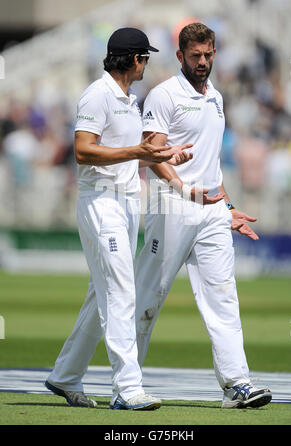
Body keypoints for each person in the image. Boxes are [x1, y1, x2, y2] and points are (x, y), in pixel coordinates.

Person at [45, 27, 192, 411]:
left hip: (127, 203)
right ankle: (128, 388)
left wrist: (160, 156)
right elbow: (83, 150)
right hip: (102, 203)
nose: (147, 63)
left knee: (102, 295)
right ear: (133, 58)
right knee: (121, 292)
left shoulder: (129, 99)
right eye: (145, 56)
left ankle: (64, 376)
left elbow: (128, 153)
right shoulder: (98, 94)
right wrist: (135, 151)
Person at [134, 22, 272, 409]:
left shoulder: (217, 97)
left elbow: (212, 166)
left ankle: (236, 385)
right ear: (180, 56)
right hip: (171, 206)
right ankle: (125, 383)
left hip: (211, 211)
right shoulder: (164, 95)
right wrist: (184, 190)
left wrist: (227, 207)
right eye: (195, 56)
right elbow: (151, 154)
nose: (203, 62)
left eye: (208, 54)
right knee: (149, 296)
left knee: (223, 296)